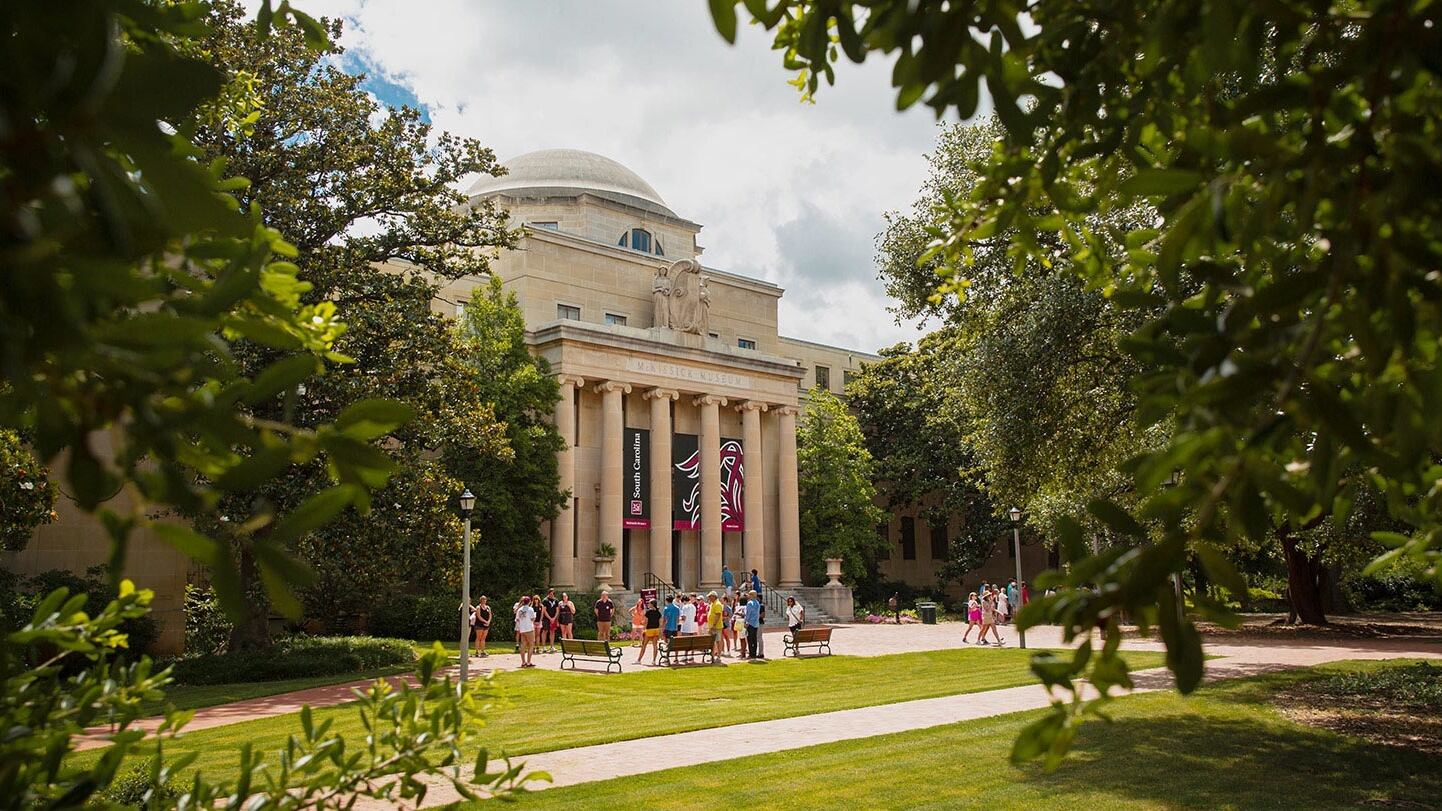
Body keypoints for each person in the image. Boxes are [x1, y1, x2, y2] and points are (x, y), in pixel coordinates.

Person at [637, 599, 663, 665]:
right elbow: (660, 623)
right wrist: (660, 631)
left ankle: (639, 660)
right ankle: (654, 660)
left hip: (649, 630)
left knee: (644, 645)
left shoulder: (648, 612)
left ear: (652, 604)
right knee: (655, 646)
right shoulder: (658, 613)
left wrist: (643, 628)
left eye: (649, 603)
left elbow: (646, 622)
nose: (648, 604)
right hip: (656, 630)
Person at [514, 595, 537, 668]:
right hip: (529, 628)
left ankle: (523, 662)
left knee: (523, 645)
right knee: (531, 644)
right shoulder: (530, 609)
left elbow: (517, 619)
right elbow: (533, 619)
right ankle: (529, 661)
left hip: (522, 629)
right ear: (529, 602)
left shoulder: (519, 610)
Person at [539, 589, 559, 653]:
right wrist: (550, 618)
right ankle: (544, 647)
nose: (551, 595)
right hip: (546, 619)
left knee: (552, 632)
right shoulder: (545, 600)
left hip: (554, 618)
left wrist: (554, 618)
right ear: (548, 593)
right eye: (550, 594)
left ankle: (552, 646)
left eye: (553, 594)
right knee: (545, 631)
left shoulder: (556, 601)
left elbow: (557, 610)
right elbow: (544, 611)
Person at [706, 591, 725, 658]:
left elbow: (718, 615)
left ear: (714, 596)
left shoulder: (717, 604)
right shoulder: (712, 603)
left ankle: (718, 654)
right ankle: (713, 654)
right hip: (712, 626)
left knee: (718, 640)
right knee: (713, 641)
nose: (709, 598)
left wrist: (714, 625)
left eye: (710, 596)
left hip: (716, 626)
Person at [744, 590, 761, 659]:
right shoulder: (757, 603)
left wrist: (746, 622)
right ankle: (754, 653)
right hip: (756, 623)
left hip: (750, 623)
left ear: (752, 595)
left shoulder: (749, 603)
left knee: (750, 639)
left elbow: (748, 614)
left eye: (749, 595)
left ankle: (751, 654)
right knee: (754, 639)